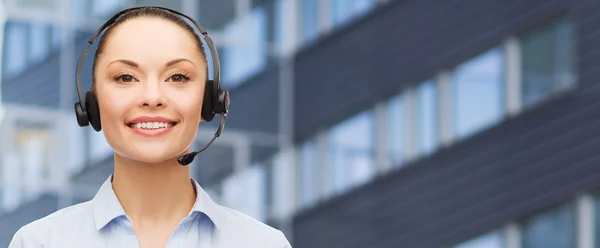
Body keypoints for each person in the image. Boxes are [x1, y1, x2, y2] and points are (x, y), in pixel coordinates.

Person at [9, 6, 291, 248]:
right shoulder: (41, 242)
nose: (153, 98)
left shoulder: (261, 243)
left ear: (209, 102)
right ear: (92, 106)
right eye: (126, 77)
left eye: (178, 77)